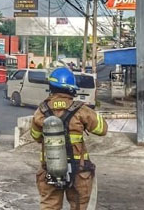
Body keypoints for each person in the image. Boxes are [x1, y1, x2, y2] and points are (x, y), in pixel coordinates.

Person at [30, 67, 107, 210]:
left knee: (49, 206)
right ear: (71, 89)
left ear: (51, 87)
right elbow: (102, 129)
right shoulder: (81, 109)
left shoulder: (41, 111)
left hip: (50, 169)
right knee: (79, 205)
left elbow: (35, 136)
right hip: (79, 170)